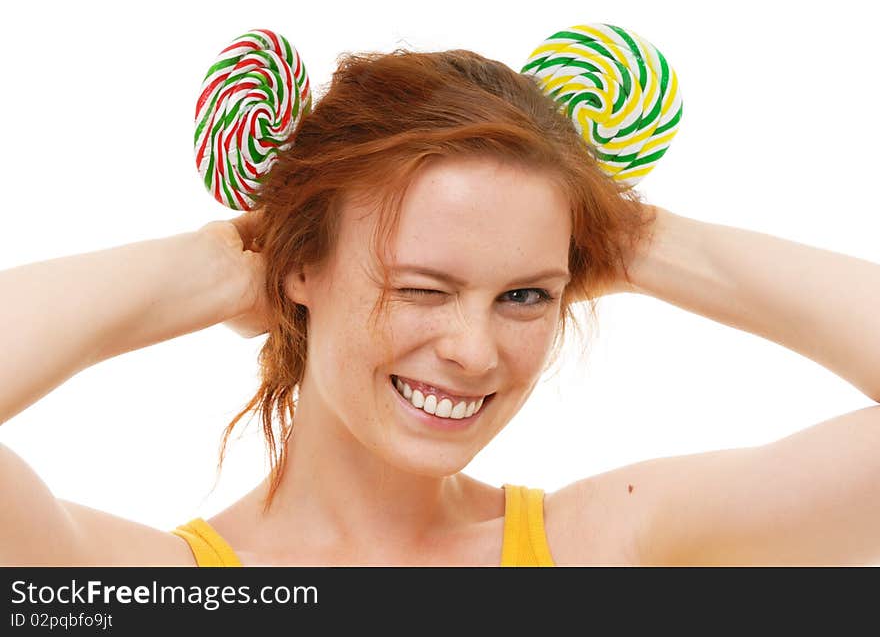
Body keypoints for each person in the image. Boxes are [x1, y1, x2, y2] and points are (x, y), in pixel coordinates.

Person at [1, 48, 878, 567]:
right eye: (421, 287)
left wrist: (637, 239)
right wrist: (216, 268)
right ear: (302, 266)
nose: (473, 349)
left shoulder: (604, 548)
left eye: (524, 294)